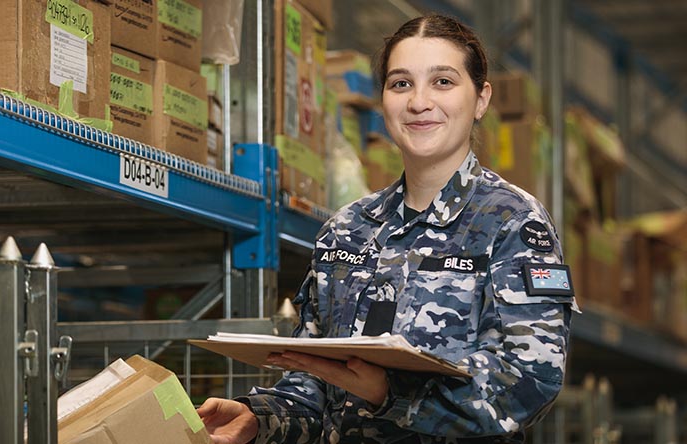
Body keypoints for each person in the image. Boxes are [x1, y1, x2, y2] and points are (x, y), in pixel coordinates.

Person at [197, 13, 577, 444]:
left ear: (481, 99)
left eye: (443, 82)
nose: (418, 102)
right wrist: (259, 418)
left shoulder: (511, 221)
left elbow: (529, 382)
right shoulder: (347, 229)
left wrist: (389, 394)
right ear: (383, 101)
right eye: (401, 84)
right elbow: (312, 388)